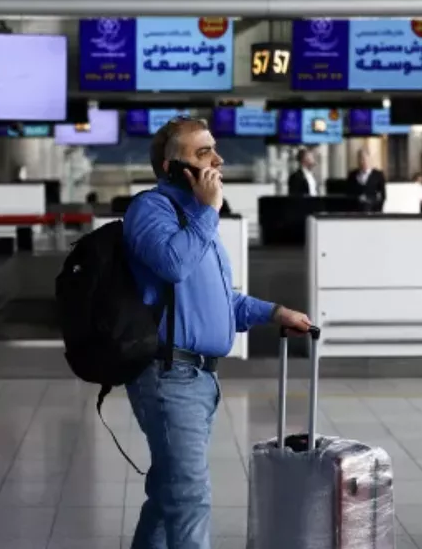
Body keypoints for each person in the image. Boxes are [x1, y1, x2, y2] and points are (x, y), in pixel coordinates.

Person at [122, 116, 312, 549]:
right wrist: (208, 211)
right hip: (169, 376)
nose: (218, 159)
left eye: (214, 149)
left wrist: (274, 312)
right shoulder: (150, 210)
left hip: (200, 379)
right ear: (173, 168)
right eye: (203, 152)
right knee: (190, 499)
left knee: (168, 494)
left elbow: (220, 300)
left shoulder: (196, 220)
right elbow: (173, 264)